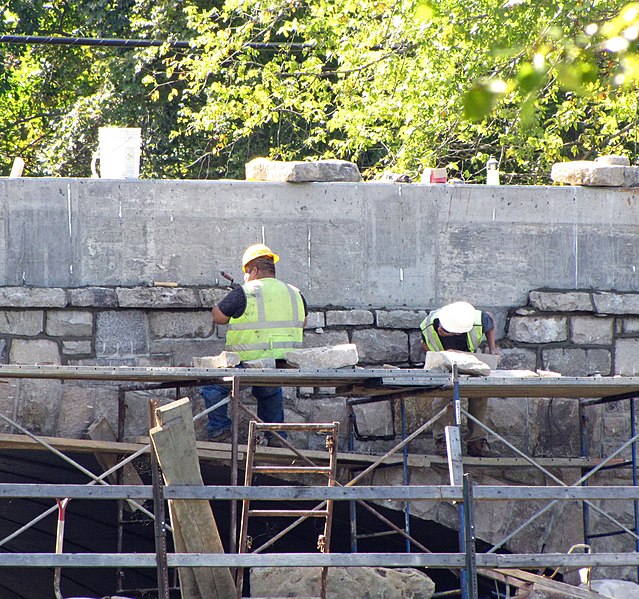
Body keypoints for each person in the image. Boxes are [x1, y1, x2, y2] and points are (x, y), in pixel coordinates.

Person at [201, 243, 307, 446]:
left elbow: (218, 317)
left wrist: (234, 301)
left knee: (213, 386)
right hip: (283, 364)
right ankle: (275, 437)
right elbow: (303, 321)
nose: (245, 278)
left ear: (255, 270)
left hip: (249, 361)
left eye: (246, 273)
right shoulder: (295, 293)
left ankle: (219, 430)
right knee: (269, 391)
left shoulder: (245, 292)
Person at [419, 301, 498, 457]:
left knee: (480, 394)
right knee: (442, 397)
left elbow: (490, 324)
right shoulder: (429, 326)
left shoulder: (476, 319)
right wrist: (441, 356)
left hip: (471, 360)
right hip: (444, 362)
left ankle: (476, 441)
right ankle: (444, 440)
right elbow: (424, 345)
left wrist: (493, 349)